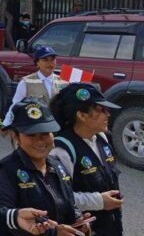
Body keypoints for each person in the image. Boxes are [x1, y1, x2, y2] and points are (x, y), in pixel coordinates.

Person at [0, 98, 91, 236]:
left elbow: (69, 202)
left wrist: (78, 220)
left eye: (45, 133)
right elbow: (2, 224)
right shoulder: (2, 174)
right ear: (16, 136)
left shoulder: (57, 165)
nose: (40, 140)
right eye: (31, 135)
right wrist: (52, 233)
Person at [50, 84, 124, 235]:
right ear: (81, 116)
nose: (108, 114)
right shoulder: (62, 150)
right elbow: (57, 197)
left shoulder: (102, 138)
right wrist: (99, 201)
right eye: (100, 110)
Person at [3, 46, 66, 127]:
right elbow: (15, 105)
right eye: (45, 60)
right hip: (35, 127)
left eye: (52, 59)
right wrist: (6, 124)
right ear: (37, 63)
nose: (50, 63)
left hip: (57, 126)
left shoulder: (63, 82)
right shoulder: (26, 82)